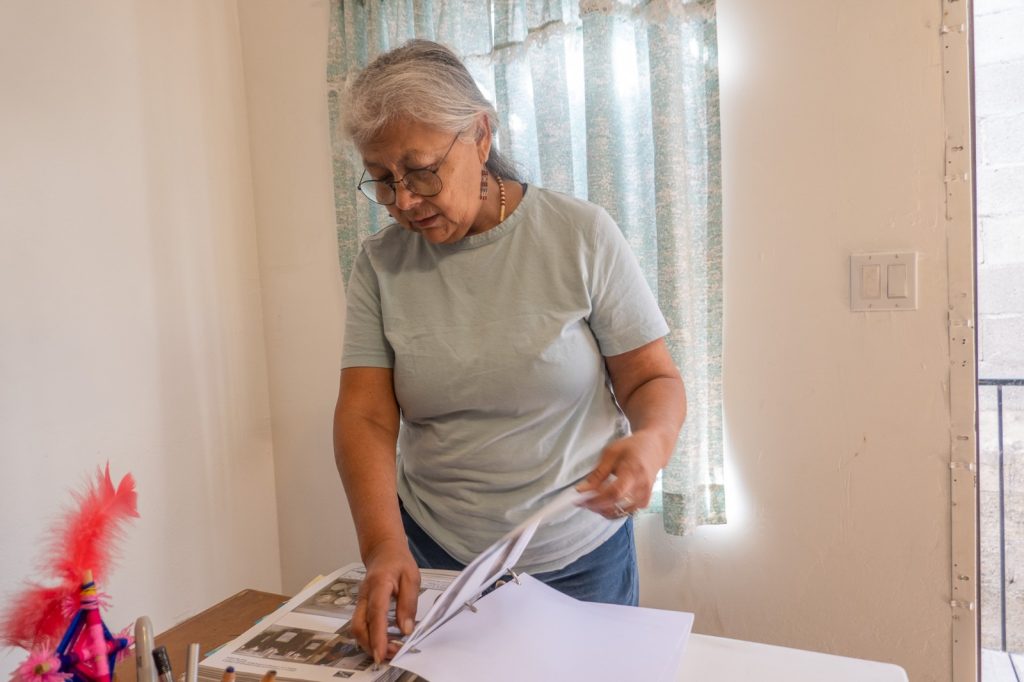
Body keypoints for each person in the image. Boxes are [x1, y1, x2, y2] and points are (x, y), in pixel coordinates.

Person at [333, 39, 686, 664]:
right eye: (383, 181)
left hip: (579, 555)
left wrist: (651, 443)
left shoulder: (579, 235)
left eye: (419, 170)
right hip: (437, 557)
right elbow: (364, 415)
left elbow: (649, 378)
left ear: (480, 134)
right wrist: (383, 544)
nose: (405, 201)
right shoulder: (380, 265)